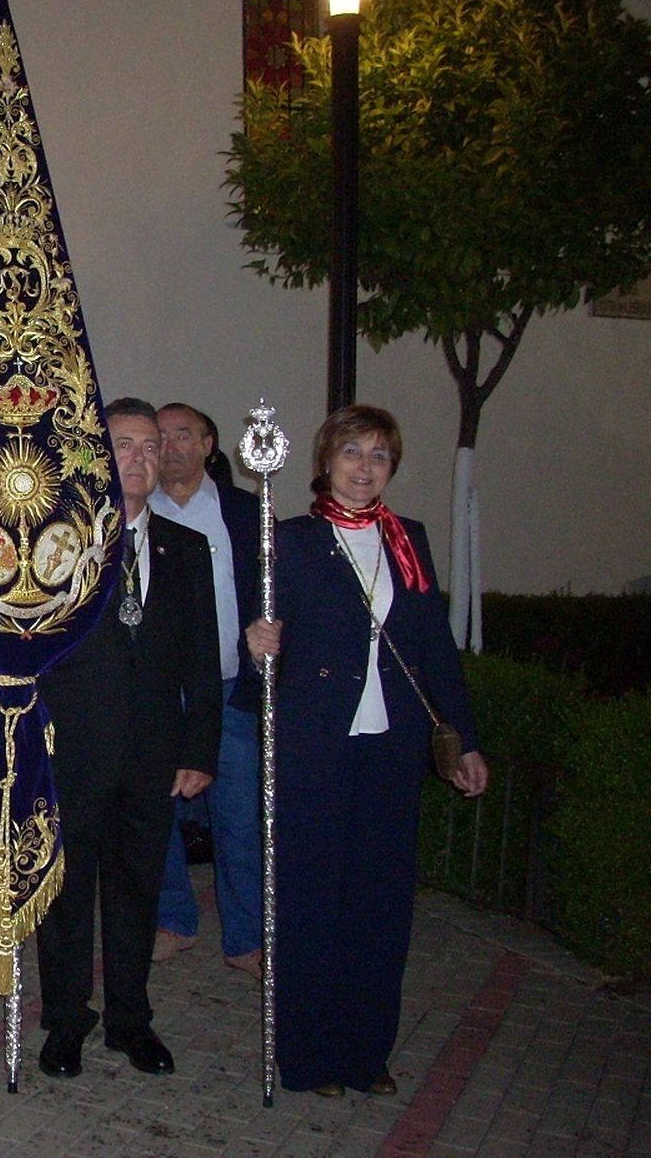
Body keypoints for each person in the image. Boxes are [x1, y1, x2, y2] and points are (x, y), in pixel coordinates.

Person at [246, 404, 488, 1097]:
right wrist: (259, 644)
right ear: (326, 462)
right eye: (352, 453)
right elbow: (264, 640)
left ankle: (365, 1051)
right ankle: (309, 1057)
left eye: (379, 456)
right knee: (310, 905)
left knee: (380, 908)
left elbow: (435, 649)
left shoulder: (407, 539)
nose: (364, 468)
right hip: (314, 747)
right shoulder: (289, 540)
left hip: (391, 750)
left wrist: (464, 739)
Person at [34, 397, 221, 1080]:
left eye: (149, 446)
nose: (139, 458)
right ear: (96, 454)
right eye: (123, 444)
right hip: (73, 749)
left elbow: (204, 659)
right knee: (66, 894)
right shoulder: (54, 546)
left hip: (153, 755)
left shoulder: (187, 551)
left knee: (138, 890)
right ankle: (65, 1023)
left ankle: (130, 1020)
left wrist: (200, 750)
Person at [149, 402, 264, 976]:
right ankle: (174, 920)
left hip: (229, 693)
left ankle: (246, 938)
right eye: (160, 436)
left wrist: (272, 631)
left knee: (239, 820)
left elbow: (276, 593)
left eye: (183, 435)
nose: (170, 446)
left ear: (209, 444)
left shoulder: (248, 514)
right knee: (158, 815)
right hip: (161, 699)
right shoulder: (137, 514)